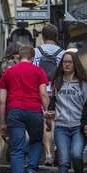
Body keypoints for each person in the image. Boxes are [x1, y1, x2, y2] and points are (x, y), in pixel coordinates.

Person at [0, 45, 50, 173]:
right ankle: (32, 169)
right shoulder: (38, 71)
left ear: (19, 57)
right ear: (33, 59)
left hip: (14, 111)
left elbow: (2, 101)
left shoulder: (8, 72)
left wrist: (2, 123)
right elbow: (43, 94)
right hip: (34, 110)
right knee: (36, 141)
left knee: (16, 149)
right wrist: (47, 114)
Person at [45, 52, 87, 173]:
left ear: (75, 64)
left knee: (76, 155)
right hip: (62, 127)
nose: (66, 64)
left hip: (78, 126)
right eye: (64, 62)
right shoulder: (57, 83)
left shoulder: (83, 84)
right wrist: (48, 115)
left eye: (70, 62)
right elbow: (53, 105)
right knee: (64, 161)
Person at [34, 24, 65, 165]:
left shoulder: (36, 52)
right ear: (56, 37)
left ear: (43, 36)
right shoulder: (63, 53)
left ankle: (47, 154)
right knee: (58, 122)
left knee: (46, 123)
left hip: (41, 91)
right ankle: (59, 148)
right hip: (59, 91)